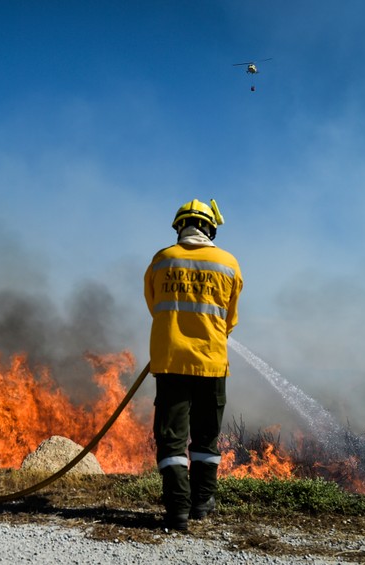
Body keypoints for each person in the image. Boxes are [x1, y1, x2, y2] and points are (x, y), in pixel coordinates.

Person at [143, 198, 243, 531]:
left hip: (170, 364)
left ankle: (177, 512)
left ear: (179, 227)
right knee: (205, 439)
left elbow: (154, 305)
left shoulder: (162, 260)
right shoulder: (228, 263)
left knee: (171, 441)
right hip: (212, 366)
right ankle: (202, 503)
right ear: (210, 228)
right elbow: (230, 319)